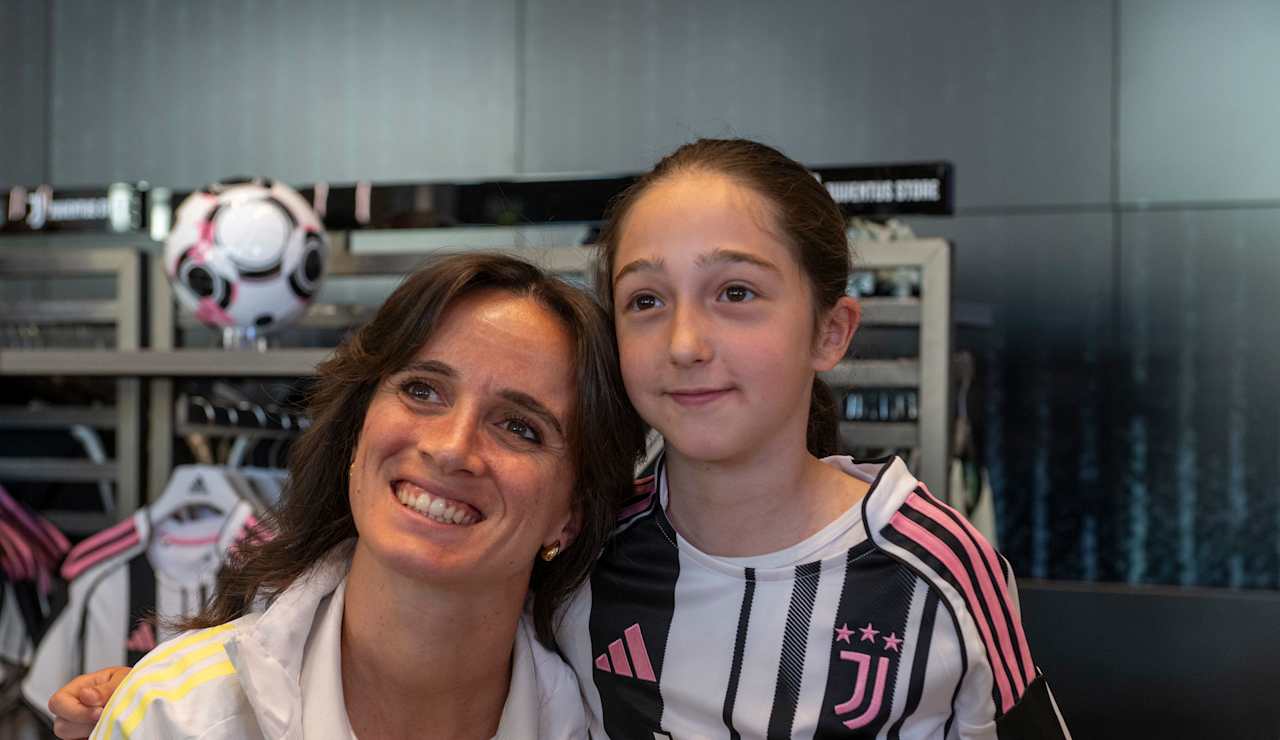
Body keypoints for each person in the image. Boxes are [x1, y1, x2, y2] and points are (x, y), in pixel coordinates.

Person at [52, 139, 1069, 739]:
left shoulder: (937, 570)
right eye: (645, 300)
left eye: (737, 293)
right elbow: (381, 623)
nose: (686, 341)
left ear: (832, 330)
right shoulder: (596, 559)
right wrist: (166, 699)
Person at [52, 253, 646, 739]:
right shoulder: (179, 717)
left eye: (520, 427)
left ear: (572, 513)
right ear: (357, 432)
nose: (450, 449)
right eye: (422, 390)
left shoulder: (605, 728)